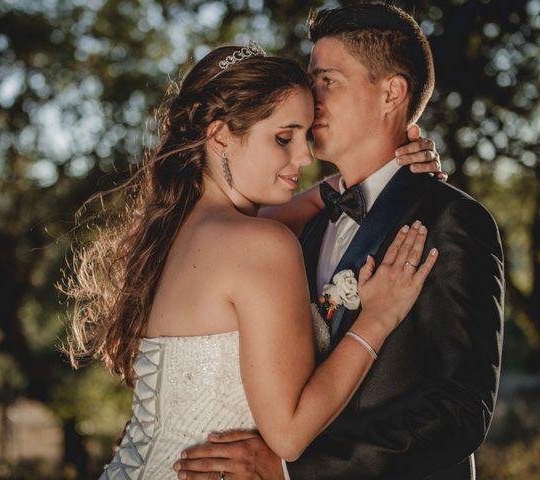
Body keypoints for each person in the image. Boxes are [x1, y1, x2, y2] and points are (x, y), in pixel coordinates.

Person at [62, 43, 441, 480]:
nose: (304, 157)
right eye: (284, 138)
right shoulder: (260, 243)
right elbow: (290, 435)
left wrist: (380, 173)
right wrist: (377, 318)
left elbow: (314, 201)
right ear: (221, 136)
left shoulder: (178, 231)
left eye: (305, 136)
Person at [175, 4, 504, 480]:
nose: (311, 98)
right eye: (311, 81)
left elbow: (459, 412)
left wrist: (293, 470)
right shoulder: (296, 229)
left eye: (328, 80)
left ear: (392, 92)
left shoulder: (451, 220)